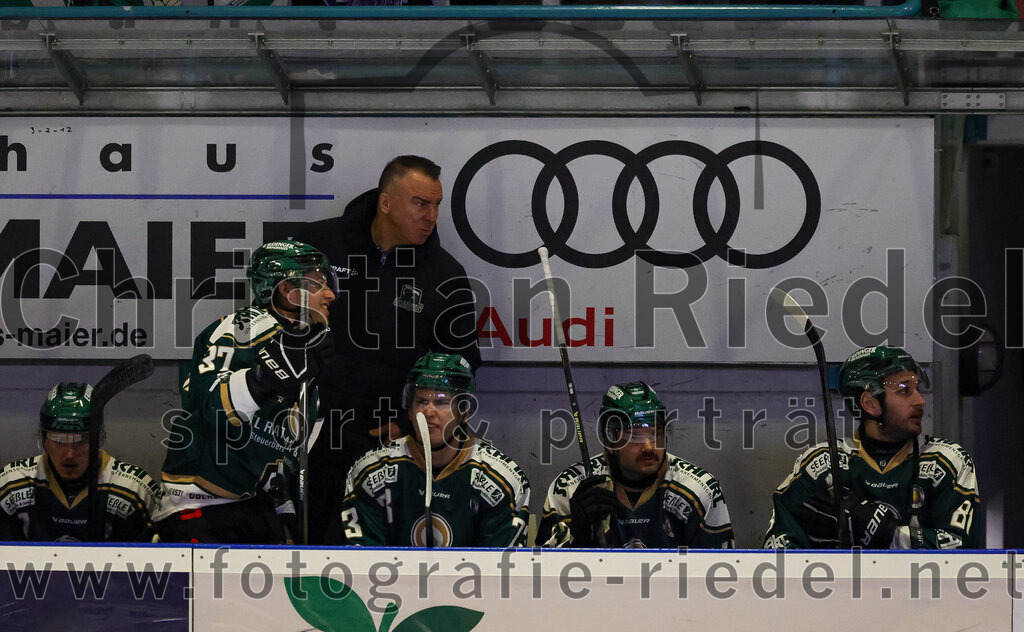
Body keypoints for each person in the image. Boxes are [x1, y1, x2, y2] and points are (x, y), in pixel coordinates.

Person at [298, 155, 481, 543]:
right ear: (386, 203)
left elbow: (459, 369)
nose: (431, 216)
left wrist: (406, 423)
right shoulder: (315, 247)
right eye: (420, 203)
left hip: (387, 443)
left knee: (372, 556)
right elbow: (272, 328)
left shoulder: (446, 275)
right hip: (306, 434)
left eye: (436, 205)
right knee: (298, 551)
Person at [153, 238, 337, 544]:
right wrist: (265, 377)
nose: (330, 294)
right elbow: (209, 409)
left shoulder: (310, 358)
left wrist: (285, 512)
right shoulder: (243, 329)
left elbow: (286, 452)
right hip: (202, 509)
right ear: (287, 289)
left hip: (255, 511)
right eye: (318, 283)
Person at [763, 345, 980, 549]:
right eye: (905, 390)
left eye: (917, 388)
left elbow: (963, 548)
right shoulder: (821, 465)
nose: (921, 400)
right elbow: (776, 547)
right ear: (870, 403)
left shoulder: (948, 461)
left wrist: (888, 534)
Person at [330, 352, 529, 547]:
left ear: (465, 412)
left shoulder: (502, 480)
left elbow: (499, 572)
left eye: (441, 401)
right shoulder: (370, 473)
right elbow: (362, 565)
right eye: (421, 401)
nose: (428, 411)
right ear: (409, 409)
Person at [538, 381, 734, 549]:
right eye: (635, 435)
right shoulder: (568, 489)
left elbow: (719, 577)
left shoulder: (701, 491)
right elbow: (540, 578)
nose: (649, 447)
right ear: (611, 439)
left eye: (655, 433)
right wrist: (578, 538)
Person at [0, 382, 162, 542]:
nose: (70, 454)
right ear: (43, 440)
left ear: (99, 439)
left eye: (82, 441)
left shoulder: (134, 490)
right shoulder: (9, 486)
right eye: (59, 440)